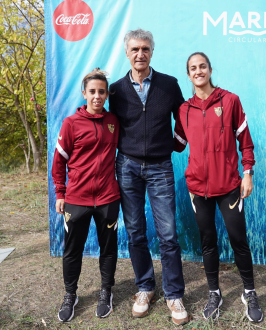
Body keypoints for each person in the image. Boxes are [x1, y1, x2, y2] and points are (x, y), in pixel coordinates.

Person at [173, 52, 264, 323]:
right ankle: (215, 293)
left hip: (229, 187)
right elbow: (176, 144)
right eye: (193, 68)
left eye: (202, 66)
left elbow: (245, 142)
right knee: (208, 242)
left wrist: (247, 173)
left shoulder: (230, 101)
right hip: (198, 189)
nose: (198, 71)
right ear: (188, 75)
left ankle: (249, 292)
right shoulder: (184, 110)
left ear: (210, 70)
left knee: (239, 240)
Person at [108, 29, 189, 325]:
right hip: (127, 167)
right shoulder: (115, 90)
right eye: (135, 49)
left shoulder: (169, 85)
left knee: (168, 235)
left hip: (160, 168)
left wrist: (176, 145)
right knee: (135, 233)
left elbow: (184, 118)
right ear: (126, 53)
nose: (140, 54)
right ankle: (144, 287)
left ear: (152, 51)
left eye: (145, 48)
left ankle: (174, 293)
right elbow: (111, 126)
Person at [52, 68, 120, 322]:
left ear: (106, 95)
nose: (97, 96)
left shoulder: (114, 121)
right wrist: (60, 192)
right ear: (84, 93)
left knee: (108, 248)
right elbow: (59, 162)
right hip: (76, 199)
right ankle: (71, 294)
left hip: (108, 198)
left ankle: (106, 292)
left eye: (102, 92)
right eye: (92, 91)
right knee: (72, 251)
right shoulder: (71, 123)